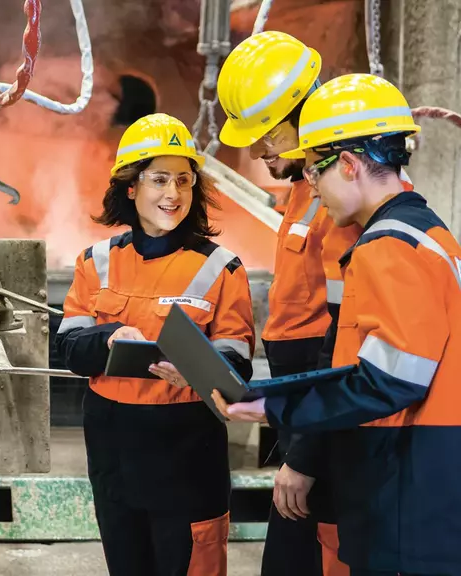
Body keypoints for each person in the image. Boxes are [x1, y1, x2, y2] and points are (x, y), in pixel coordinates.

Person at [213, 73, 461, 576]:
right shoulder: (423, 234)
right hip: (416, 474)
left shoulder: (390, 248)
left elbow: (388, 382)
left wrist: (271, 404)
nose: (308, 185)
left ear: (348, 164)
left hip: (409, 483)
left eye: (312, 170)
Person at [55, 113, 256, 576]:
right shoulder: (96, 261)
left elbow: (237, 363)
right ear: (130, 187)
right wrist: (109, 337)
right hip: (113, 450)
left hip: (185, 449)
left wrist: (200, 369)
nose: (174, 194)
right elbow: (68, 349)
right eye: (160, 179)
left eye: (184, 181)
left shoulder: (220, 267)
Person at [217, 30, 358, 576]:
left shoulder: (339, 202)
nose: (256, 151)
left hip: (323, 406)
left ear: (303, 114)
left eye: (265, 134)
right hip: (300, 398)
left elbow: (343, 345)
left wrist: (304, 455)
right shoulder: (306, 188)